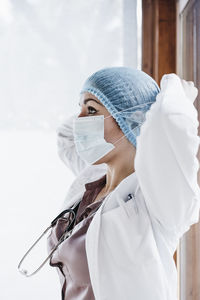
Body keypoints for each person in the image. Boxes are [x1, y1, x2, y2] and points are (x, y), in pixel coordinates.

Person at [47, 67, 200, 300]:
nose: (80, 121)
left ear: (132, 119)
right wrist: (97, 100)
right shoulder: (92, 179)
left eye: (91, 110)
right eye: (80, 109)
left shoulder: (154, 198)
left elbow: (171, 120)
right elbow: (65, 135)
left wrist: (175, 99)